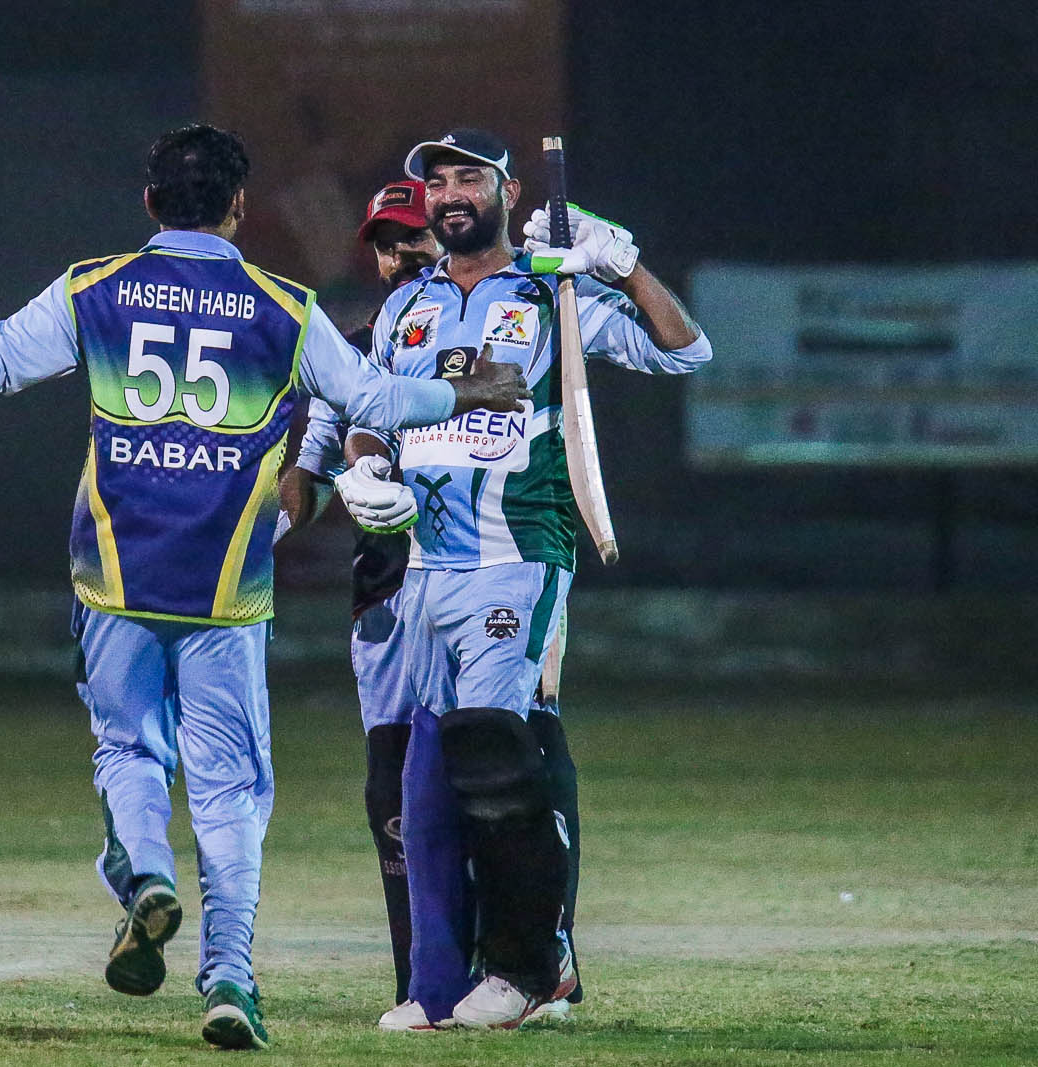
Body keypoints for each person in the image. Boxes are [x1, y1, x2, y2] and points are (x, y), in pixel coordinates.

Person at [0, 124, 536, 1050]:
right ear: (239, 208)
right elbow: (375, 399)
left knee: (129, 750)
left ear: (149, 204)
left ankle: (143, 874)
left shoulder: (94, 288)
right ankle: (229, 976)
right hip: (226, 588)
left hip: (114, 579)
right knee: (230, 790)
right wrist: (470, 392)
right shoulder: (283, 306)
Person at [340, 128, 712, 1030]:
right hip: (423, 564)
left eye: (469, 177)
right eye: (438, 181)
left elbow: (684, 350)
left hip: (517, 555)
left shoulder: (554, 290)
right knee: (428, 779)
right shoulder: (407, 304)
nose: (450, 194)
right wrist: (364, 466)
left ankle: (528, 968)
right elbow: (372, 412)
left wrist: (622, 265)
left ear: (508, 192)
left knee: (494, 754)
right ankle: (436, 984)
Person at [278, 179, 586, 1029]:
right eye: (384, 245)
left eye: (411, 238)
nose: (398, 257)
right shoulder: (365, 341)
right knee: (401, 784)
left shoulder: (519, 312)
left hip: (500, 561)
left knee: (513, 753)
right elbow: (316, 460)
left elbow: (538, 407)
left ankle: (539, 957)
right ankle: (428, 978)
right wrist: (328, 484)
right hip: (390, 583)